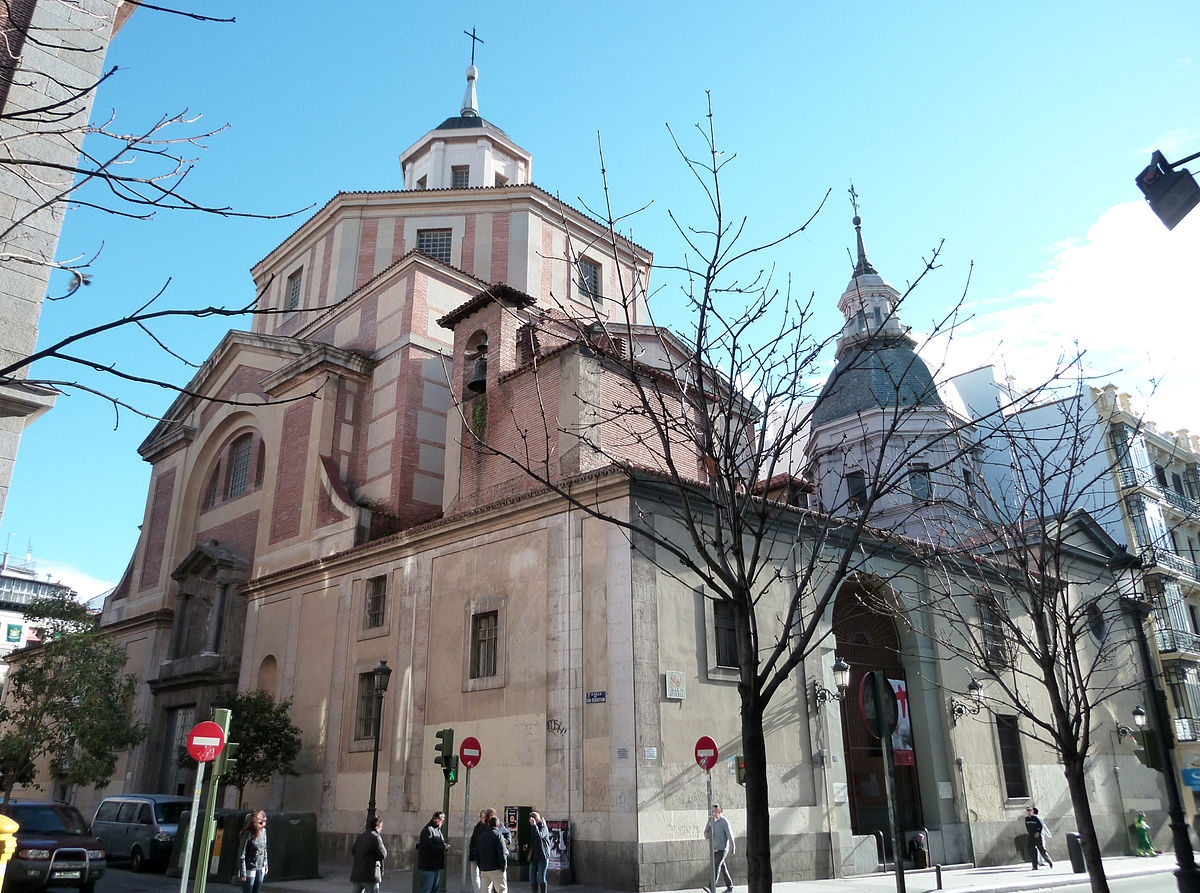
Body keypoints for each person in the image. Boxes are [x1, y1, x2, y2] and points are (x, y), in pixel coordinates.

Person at [351, 816, 388, 893]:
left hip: (357, 873)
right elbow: (383, 854)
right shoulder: (376, 837)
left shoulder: (360, 836)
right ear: (378, 826)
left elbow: (353, 851)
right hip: (370, 874)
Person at [703, 803, 735, 893]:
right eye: (713, 811)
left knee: (716, 866)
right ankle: (730, 887)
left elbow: (730, 835)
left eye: (716, 811)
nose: (714, 813)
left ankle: (711, 886)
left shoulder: (724, 821)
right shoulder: (710, 821)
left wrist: (733, 848)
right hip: (714, 848)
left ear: (720, 810)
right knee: (722, 867)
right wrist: (708, 834)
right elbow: (705, 833)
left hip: (723, 849)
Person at [236, 809, 269, 893]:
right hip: (249, 868)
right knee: (248, 889)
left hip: (260, 867)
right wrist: (243, 872)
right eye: (261, 822)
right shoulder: (248, 834)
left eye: (264, 822)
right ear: (254, 822)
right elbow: (241, 855)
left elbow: (264, 849)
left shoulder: (263, 832)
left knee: (257, 890)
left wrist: (265, 865)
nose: (263, 825)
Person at [417, 811, 449, 893]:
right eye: (442, 820)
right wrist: (443, 847)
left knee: (435, 889)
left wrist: (444, 846)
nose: (443, 822)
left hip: (435, 865)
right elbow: (428, 847)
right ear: (437, 820)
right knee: (426, 889)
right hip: (428, 866)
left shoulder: (437, 829)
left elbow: (438, 842)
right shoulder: (428, 830)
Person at [476, 814, 509, 893]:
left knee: (486, 890)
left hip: (484, 868)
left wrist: (480, 866)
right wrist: (503, 867)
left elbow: (477, 853)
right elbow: (502, 853)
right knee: (502, 890)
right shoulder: (498, 836)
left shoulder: (481, 836)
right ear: (497, 825)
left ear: (488, 824)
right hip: (496, 867)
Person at [525, 811, 551, 893]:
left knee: (541, 877)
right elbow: (533, 840)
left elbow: (538, 836)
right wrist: (528, 846)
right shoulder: (533, 828)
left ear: (536, 819)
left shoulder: (544, 828)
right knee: (532, 878)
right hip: (534, 856)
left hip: (542, 856)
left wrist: (534, 825)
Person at [469, 808, 491, 893]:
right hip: (474, 854)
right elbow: (474, 839)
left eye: (484, 817)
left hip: (483, 855)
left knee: (485, 876)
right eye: (481, 817)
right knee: (474, 876)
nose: (482, 819)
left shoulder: (489, 826)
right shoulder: (478, 826)